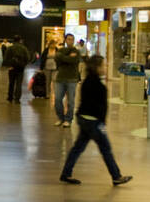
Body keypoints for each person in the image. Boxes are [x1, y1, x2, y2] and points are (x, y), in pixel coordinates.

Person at [60, 56, 132, 187]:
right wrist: (102, 122)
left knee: (78, 148)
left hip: (84, 119)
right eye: (103, 65)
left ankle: (66, 173)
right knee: (105, 148)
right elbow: (101, 107)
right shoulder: (99, 86)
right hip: (94, 122)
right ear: (97, 67)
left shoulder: (87, 82)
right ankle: (116, 176)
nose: (105, 68)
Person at [53, 33, 82, 127]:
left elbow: (73, 60)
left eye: (72, 39)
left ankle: (68, 119)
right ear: (65, 40)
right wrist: (67, 57)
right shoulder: (60, 50)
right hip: (60, 78)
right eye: (68, 39)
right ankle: (60, 118)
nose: (70, 41)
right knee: (57, 99)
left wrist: (63, 58)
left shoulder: (76, 51)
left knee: (71, 101)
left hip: (72, 79)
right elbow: (57, 59)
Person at [4, 35, 31, 103]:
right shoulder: (23, 48)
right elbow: (28, 58)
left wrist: (9, 65)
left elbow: (6, 58)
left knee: (11, 83)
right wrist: (23, 65)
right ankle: (17, 98)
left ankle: (10, 97)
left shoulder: (10, 48)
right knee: (19, 84)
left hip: (12, 68)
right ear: (20, 40)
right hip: (20, 69)